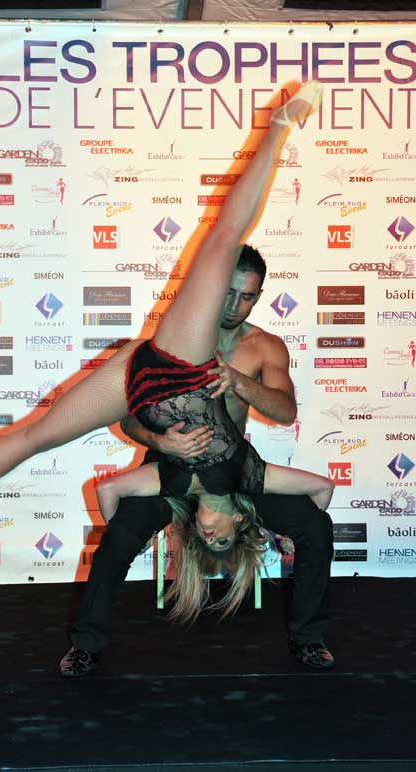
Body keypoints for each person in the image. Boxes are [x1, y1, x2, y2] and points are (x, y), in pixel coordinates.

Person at [0, 80, 329, 589]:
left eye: (210, 539)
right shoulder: (252, 477)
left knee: (37, 435)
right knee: (225, 238)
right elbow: (321, 488)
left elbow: (115, 489)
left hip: (152, 372)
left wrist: (222, 398)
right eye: (224, 536)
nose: (212, 531)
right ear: (240, 518)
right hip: (170, 366)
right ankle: (278, 129)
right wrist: (279, 533)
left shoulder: (192, 472)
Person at [60, 249, 335, 677]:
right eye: (228, 292)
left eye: (246, 296)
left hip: (232, 471)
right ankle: (86, 646)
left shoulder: (264, 347)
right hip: (171, 464)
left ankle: (308, 638)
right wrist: (159, 440)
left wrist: (237, 380)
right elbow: (128, 418)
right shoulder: (172, 345)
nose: (234, 305)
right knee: (118, 538)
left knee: (315, 528)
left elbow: (285, 411)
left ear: (259, 297)